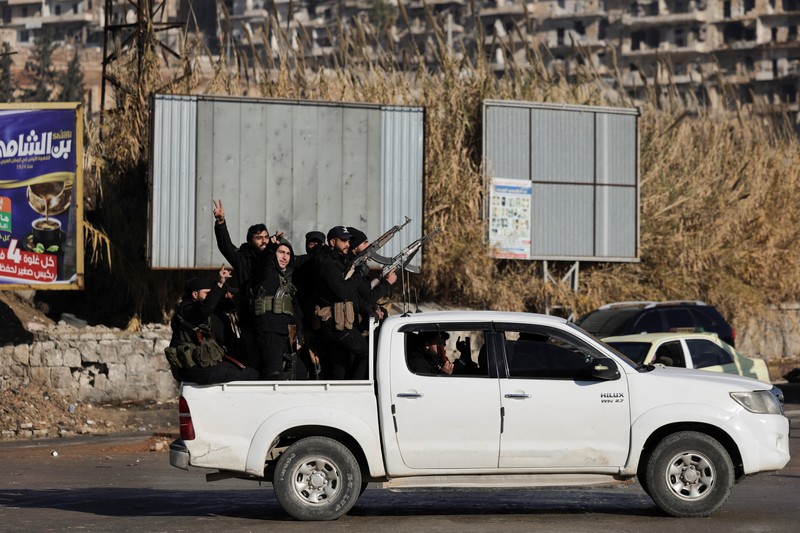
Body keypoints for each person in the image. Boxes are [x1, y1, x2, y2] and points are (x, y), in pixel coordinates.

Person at [165, 268, 259, 384]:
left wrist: (227, 294)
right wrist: (219, 284)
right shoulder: (187, 310)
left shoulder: (210, 314)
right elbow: (206, 309)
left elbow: (223, 307)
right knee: (252, 375)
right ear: (195, 294)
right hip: (197, 369)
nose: (212, 297)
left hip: (204, 366)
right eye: (207, 293)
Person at [212, 199, 266, 368]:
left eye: (266, 237)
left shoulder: (275, 257)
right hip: (250, 318)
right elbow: (226, 246)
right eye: (259, 238)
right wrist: (220, 222)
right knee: (252, 359)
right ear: (250, 241)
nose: (264, 241)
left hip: (272, 319)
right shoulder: (243, 258)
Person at [313, 226, 372, 379]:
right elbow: (343, 292)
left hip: (339, 322)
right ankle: (357, 389)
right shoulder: (329, 263)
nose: (348, 244)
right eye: (344, 240)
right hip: (334, 324)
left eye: (349, 241)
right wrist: (359, 275)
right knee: (365, 352)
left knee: (340, 364)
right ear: (332, 242)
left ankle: (341, 394)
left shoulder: (338, 260)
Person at [250, 236, 303, 380]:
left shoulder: (288, 278)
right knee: (273, 374)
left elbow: (294, 309)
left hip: (286, 333)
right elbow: (263, 264)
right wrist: (271, 247)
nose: (285, 257)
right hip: (269, 330)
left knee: (300, 373)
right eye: (281, 252)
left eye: (288, 253)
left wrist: (299, 333)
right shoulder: (265, 272)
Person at [347, 227, 396, 328]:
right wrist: (387, 283)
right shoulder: (355, 266)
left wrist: (381, 276)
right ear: (355, 246)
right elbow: (368, 297)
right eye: (364, 243)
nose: (368, 246)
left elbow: (366, 289)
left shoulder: (358, 264)